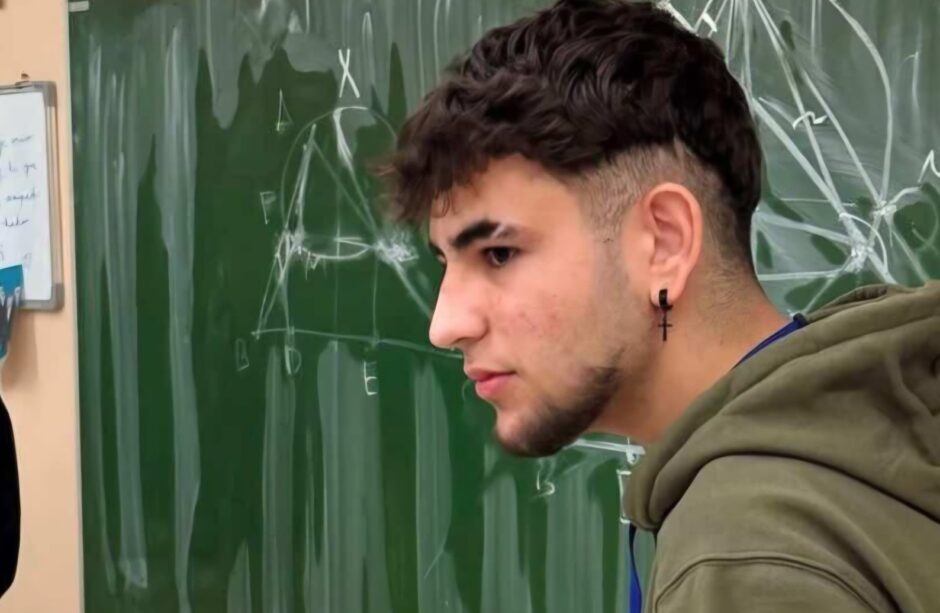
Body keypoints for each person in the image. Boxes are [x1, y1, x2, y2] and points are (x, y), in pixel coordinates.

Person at [380, 0, 940, 611]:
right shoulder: (874, 446)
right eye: (445, 264)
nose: (445, 325)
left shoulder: (744, 561)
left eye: (498, 254)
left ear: (664, 244)